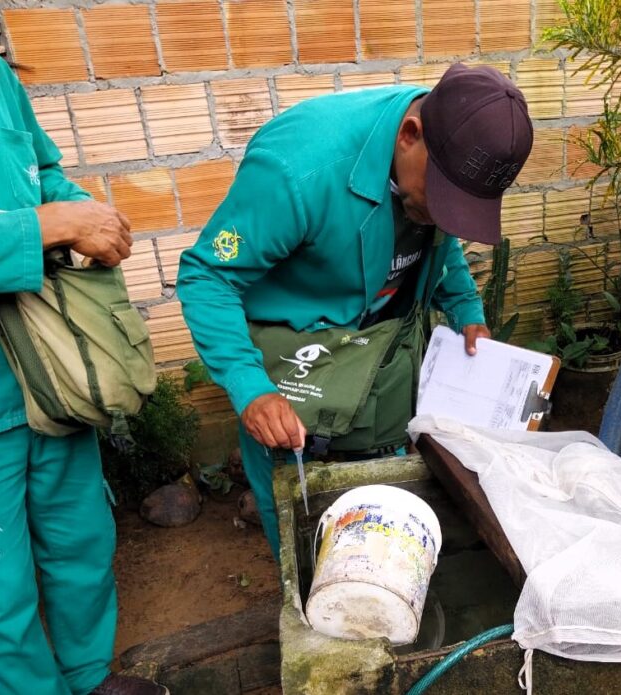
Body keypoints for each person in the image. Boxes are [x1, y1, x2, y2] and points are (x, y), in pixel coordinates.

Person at [178, 63, 534, 558]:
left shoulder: (441, 152)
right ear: (411, 135)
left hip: (376, 355)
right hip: (296, 359)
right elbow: (208, 276)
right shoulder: (297, 171)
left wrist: (465, 309)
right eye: (440, 200)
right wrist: (250, 389)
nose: (440, 217)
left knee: (382, 520)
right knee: (303, 533)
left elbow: (442, 243)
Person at [0, 58, 167, 695]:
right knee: (2, 584)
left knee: (81, 541)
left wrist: (81, 210)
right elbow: (45, 216)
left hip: (47, 373)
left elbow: (40, 170)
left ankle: (89, 676)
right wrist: (53, 225)